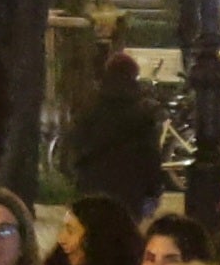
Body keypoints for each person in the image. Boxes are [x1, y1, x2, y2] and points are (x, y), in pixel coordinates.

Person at [68, 48, 169, 218]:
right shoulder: (142, 114)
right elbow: (150, 157)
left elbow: (74, 147)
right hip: (130, 191)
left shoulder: (89, 109)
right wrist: (153, 191)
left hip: (93, 187)